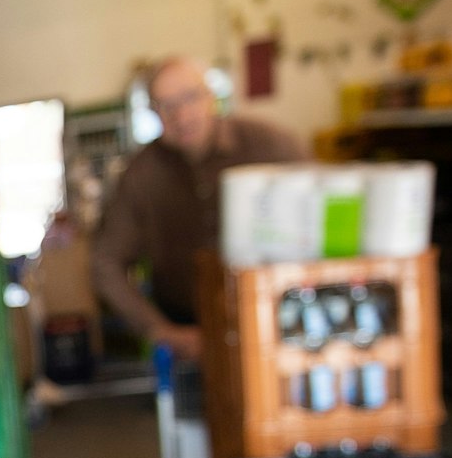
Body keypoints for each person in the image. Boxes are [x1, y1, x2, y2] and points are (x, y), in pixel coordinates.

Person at [90, 57, 307, 359]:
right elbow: (105, 263)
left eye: (190, 98)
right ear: (154, 113)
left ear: (211, 97)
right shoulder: (140, 175)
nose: (181, 115)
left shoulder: (271, 145)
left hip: (280, 320)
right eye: (166, 105)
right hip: (192, 332)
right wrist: (160, 330)